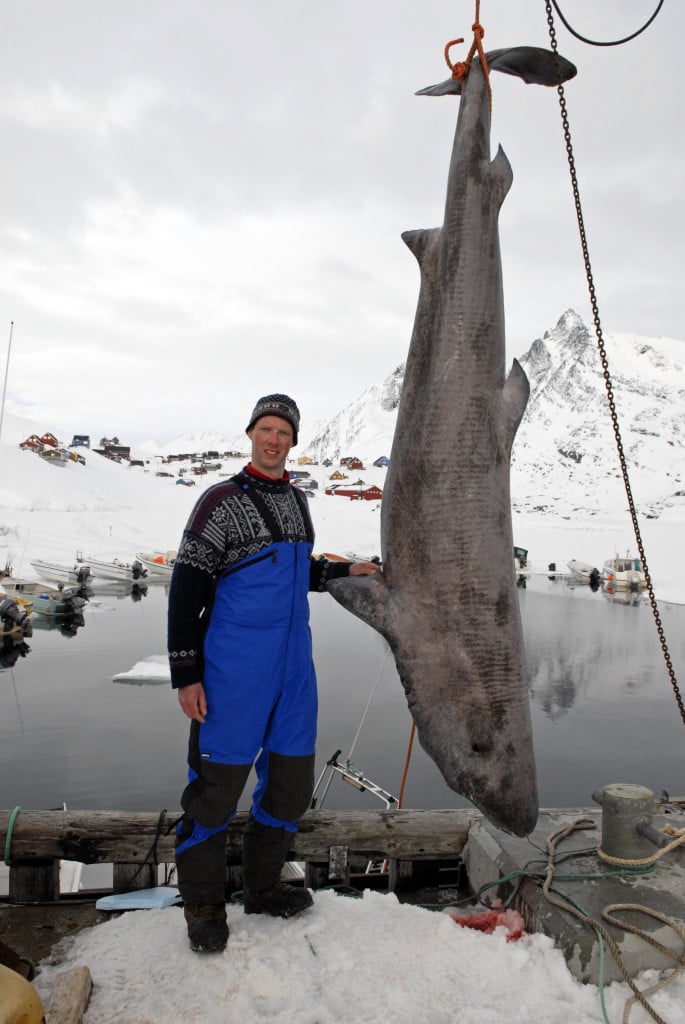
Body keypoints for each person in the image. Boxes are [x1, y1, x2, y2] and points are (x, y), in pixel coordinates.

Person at [167, 393, 378, 954]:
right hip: (234, 674)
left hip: (293, 673)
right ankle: (205, 908)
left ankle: (262, 888)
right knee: (214, 796)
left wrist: (343, 569)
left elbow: (297, 571)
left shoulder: (297, 500)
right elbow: (186, 588)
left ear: (293, 440)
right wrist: (186, 673)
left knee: (288, 789)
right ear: (251, 434)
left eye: (283, 432)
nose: (274, 439)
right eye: (266, 429)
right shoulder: (219, 502)